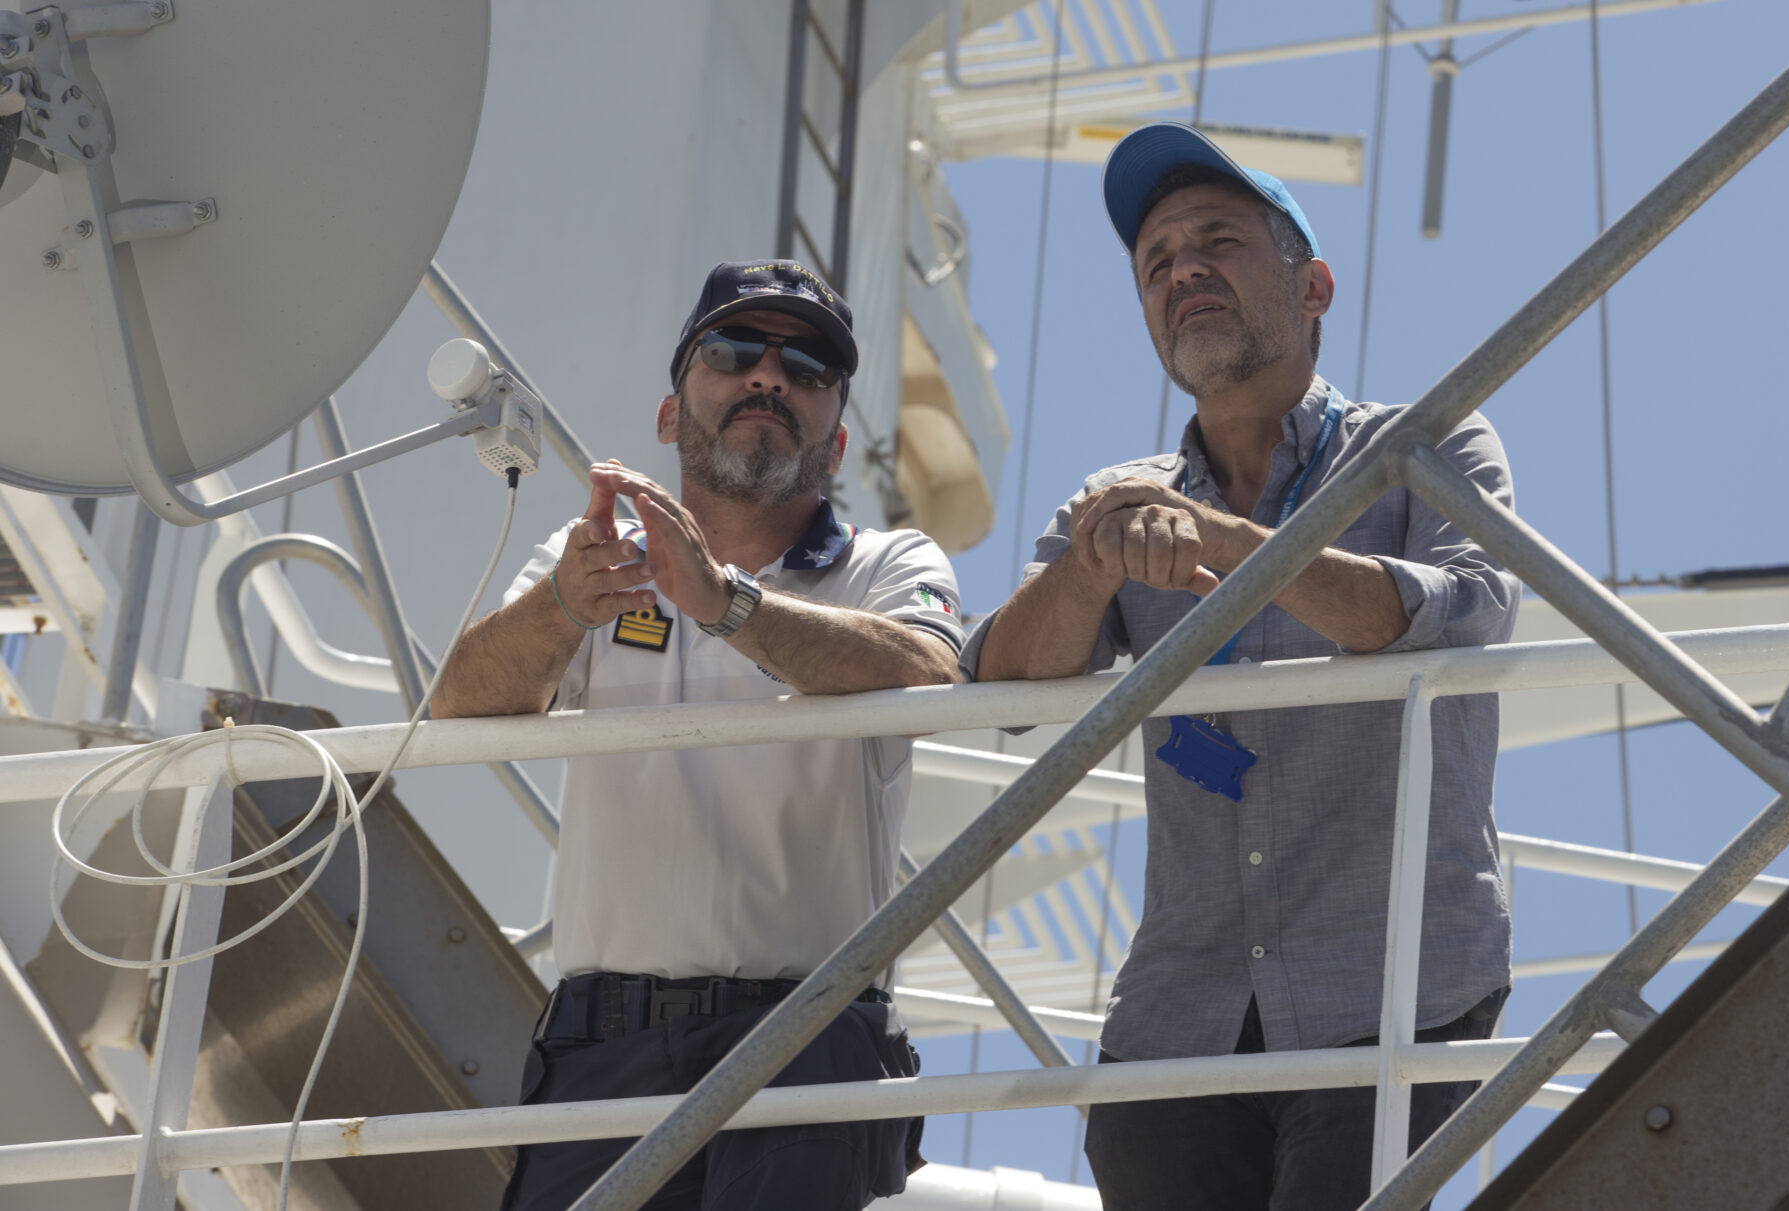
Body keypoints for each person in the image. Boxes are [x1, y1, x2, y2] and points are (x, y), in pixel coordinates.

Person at [966, 125, 1520, 1211]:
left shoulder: (1426, 447)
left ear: (1311, 286)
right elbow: (1003, 688)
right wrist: (1091, 567)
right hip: (1182, 1008)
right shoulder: (1115, 497)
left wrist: (1217, 542)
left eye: (1216, 241)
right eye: (1156, 262)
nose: (1183, 271)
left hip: (1395, 982)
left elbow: (1458, 615)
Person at [436, 259, 965, 1211]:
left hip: (809, 1040)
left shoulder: (893, 562)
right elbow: (462, 704)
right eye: (732, 352)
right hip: (603, 1048)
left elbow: (928, 669)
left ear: (835, 442)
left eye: (805, 369)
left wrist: (726, 605)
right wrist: (563, 604)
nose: (768, 376)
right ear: (671, 416)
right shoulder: (590, 560)